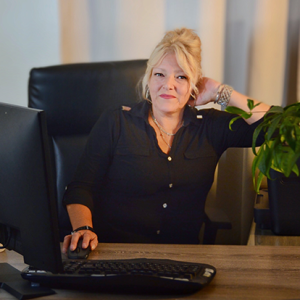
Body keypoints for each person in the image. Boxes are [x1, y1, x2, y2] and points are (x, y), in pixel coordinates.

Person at [62, 28, 270, 253]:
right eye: (160, 74)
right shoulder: (117, 121)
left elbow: (280, 128)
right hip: (116, 253)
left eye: (181, 76)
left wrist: (222, 92)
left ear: (194, 85)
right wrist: (83, 228)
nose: (168, 85)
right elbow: (80, 187)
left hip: (181, 258)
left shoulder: (210, 127)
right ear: (148, 78)